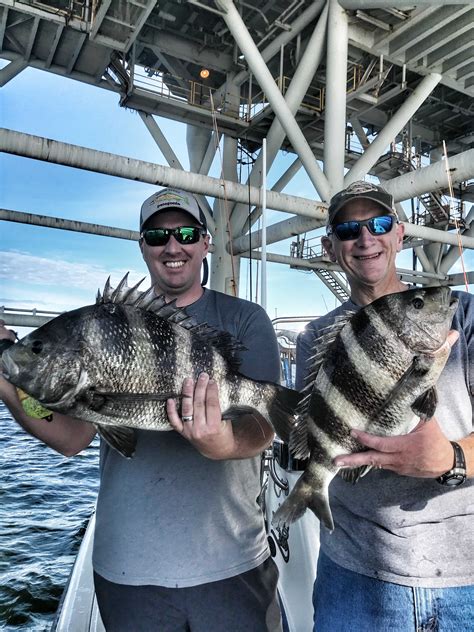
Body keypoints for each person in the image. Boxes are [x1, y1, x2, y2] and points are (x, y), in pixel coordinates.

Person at [0, 187, 284, 632]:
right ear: (142, 246)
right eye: (157, 236)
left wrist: (221, 442)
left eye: (187, 233)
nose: (173, 246)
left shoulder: (246, 320)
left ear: (206, 242)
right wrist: (7, 376)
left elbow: (264, 426)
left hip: (233, 563)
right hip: (128, 571)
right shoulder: (96, 326)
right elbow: (72, 438)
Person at [295, 180, 473, 632]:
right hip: (355, 578)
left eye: (378, 223)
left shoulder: (465, 317)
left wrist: (447, 459)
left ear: (400, 233)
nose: (365, 238)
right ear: (330, 246)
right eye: (348, 228)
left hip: (465, 578)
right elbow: (316, 438)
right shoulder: (315, 340)